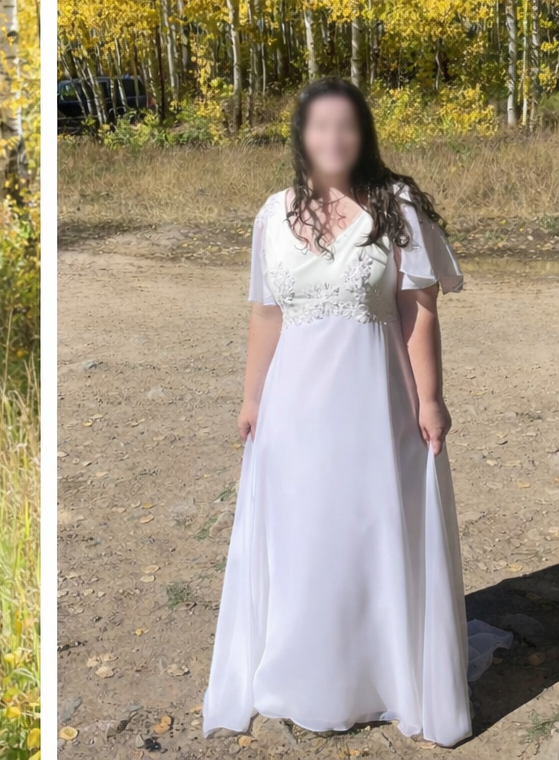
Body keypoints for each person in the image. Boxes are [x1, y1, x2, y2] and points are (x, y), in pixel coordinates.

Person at [204, 79, 505, 747]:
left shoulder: (394, 206)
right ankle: (307, 672)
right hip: (293, 405)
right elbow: (265, 314)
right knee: (305, 530)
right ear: (301, 137)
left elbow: (418, 311)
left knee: (370, 527)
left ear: (362, 133)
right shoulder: (273, 213)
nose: (333, 139)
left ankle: (384, 676)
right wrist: (252, 398)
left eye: (346, 126)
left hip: (376, 400)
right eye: (320, 127)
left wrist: (431, 399)